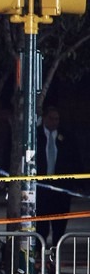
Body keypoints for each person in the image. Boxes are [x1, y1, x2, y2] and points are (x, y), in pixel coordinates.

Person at [36, 105, 82, 247]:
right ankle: (39, 255)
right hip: (41, 189)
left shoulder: (67, 137)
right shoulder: (36, 136)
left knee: (59, 226)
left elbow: (75, 160)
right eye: (51, 118)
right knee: (41, 227)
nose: (54, 122)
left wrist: (78, 184)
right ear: (44, 119)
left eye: (57, 119)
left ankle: (55, 255)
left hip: (60, 190)